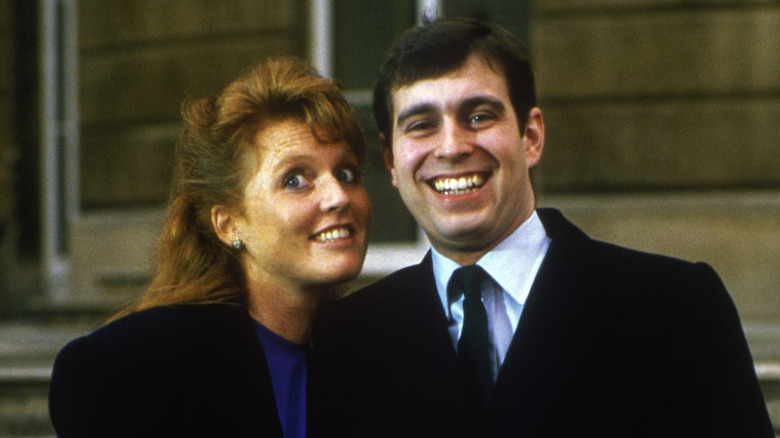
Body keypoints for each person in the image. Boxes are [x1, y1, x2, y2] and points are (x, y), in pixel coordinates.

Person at [309, 17, 774, 437]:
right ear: (391, 161)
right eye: (421, 124)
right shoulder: (349, 338)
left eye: (478, 116)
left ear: (531, 137)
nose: (450, 147)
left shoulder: (675, 308)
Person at [49, 57, 371, 437]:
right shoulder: (132, 368)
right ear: (228, 223)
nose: (338, 196)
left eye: (346, 173)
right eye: (295, 180)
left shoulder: (370, 354)